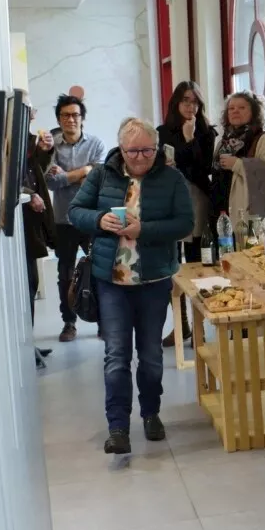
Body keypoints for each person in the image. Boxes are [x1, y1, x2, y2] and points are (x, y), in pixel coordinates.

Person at [69, 117, 195, 455]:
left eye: (147, 150)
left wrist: (146, 230)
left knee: (152, 355)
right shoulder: (101, 174)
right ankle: (118, 428)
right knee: (116, 355)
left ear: (156, 149)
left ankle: (151, 413)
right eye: (132, 151)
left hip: (153, 280)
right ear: (120, 149)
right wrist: (98, 220)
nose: (140, 157)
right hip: (111, 281)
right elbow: (75, 211)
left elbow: (186, 223)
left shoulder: (171, 178)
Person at [158, 81, 216, 347]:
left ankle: (199, 327)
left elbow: (202, 167)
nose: (190, 106)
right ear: (176, 104)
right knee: (171, 265)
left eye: (194, 101)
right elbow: (162, 165)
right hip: (168, 199)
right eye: (185, 101)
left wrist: (191, 138)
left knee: (195, 264)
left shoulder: (206, 132)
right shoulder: (162, 131)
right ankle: (180, 326)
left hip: (196, 197)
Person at [46, 94, 106, 342]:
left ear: (82, 118)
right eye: (65, 115)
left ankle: (104, 320)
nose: (70, 119)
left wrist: (67, 176)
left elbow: (98, 178)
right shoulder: (51, 147)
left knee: (101, 270)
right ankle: (68, 322)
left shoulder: (96, 144)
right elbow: (50, 181)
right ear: (59, 119)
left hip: (91, 218)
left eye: (75, 115)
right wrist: (83, 172)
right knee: (66, 274)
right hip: (63, 220)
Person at [21, 103, 56, 368]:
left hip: (31, 226)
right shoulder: (12, 139)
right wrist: (29, 194)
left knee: (31, 285)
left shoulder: (26, 138)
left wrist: (45, 150)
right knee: (27, 285)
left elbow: (36, 171)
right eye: (29, 108)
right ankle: (25, 345)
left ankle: (27, 343)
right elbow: (9, 176)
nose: (34, 113)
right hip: (21, 227)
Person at [213, 91, 265, 227]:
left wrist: (238, 164)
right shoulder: (222, 143)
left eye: (242, 108)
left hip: (246, 210)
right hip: (220, 206)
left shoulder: (264, 139)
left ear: (254, 112)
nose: (235, 111)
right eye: (231, 108)